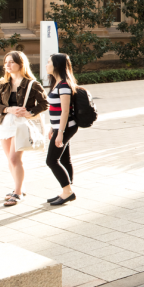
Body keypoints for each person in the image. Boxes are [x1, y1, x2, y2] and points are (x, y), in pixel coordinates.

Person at [0, 50, 48, 207]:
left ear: (20, 64)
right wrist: (8, 109)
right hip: (5, 124)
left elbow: (45, 104)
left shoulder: (32, 84)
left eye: (11, 62)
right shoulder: (3, 84)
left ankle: (17, 193)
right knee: (10, 160)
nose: (7, 65)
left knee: (14, 159)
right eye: (6, 62)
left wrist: (30, 112)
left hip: (21, 125)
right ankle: (19, 188)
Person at [45, 53, 80, 207]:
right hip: (60, 127)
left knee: (51, 160)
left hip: (66, 128)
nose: (46, 65)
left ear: (56, 65)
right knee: (64, 159)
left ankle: (68, 191)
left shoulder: (64, 85)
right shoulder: (58, 83)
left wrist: (60, 133)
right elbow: (56, 109)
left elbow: (65, 111)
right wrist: (53, 128)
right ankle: (65, 190)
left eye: (48, 62)